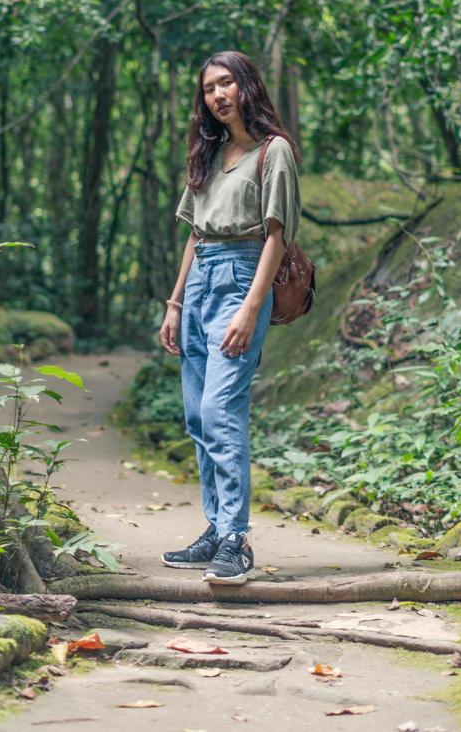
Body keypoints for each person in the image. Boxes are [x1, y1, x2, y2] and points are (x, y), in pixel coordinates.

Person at [159, 50, 302, 584]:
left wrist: (250, 306)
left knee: (221, 408)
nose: (218, 96)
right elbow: (195, 236)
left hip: (243, 280)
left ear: (247, 86)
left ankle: (236, 540)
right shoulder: (210, 155)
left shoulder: (274, 151)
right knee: (198, 414)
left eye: (226, 84)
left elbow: (276, 235)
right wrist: (175, 305)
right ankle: (215, 530)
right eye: (209, 89)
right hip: (199, 285)